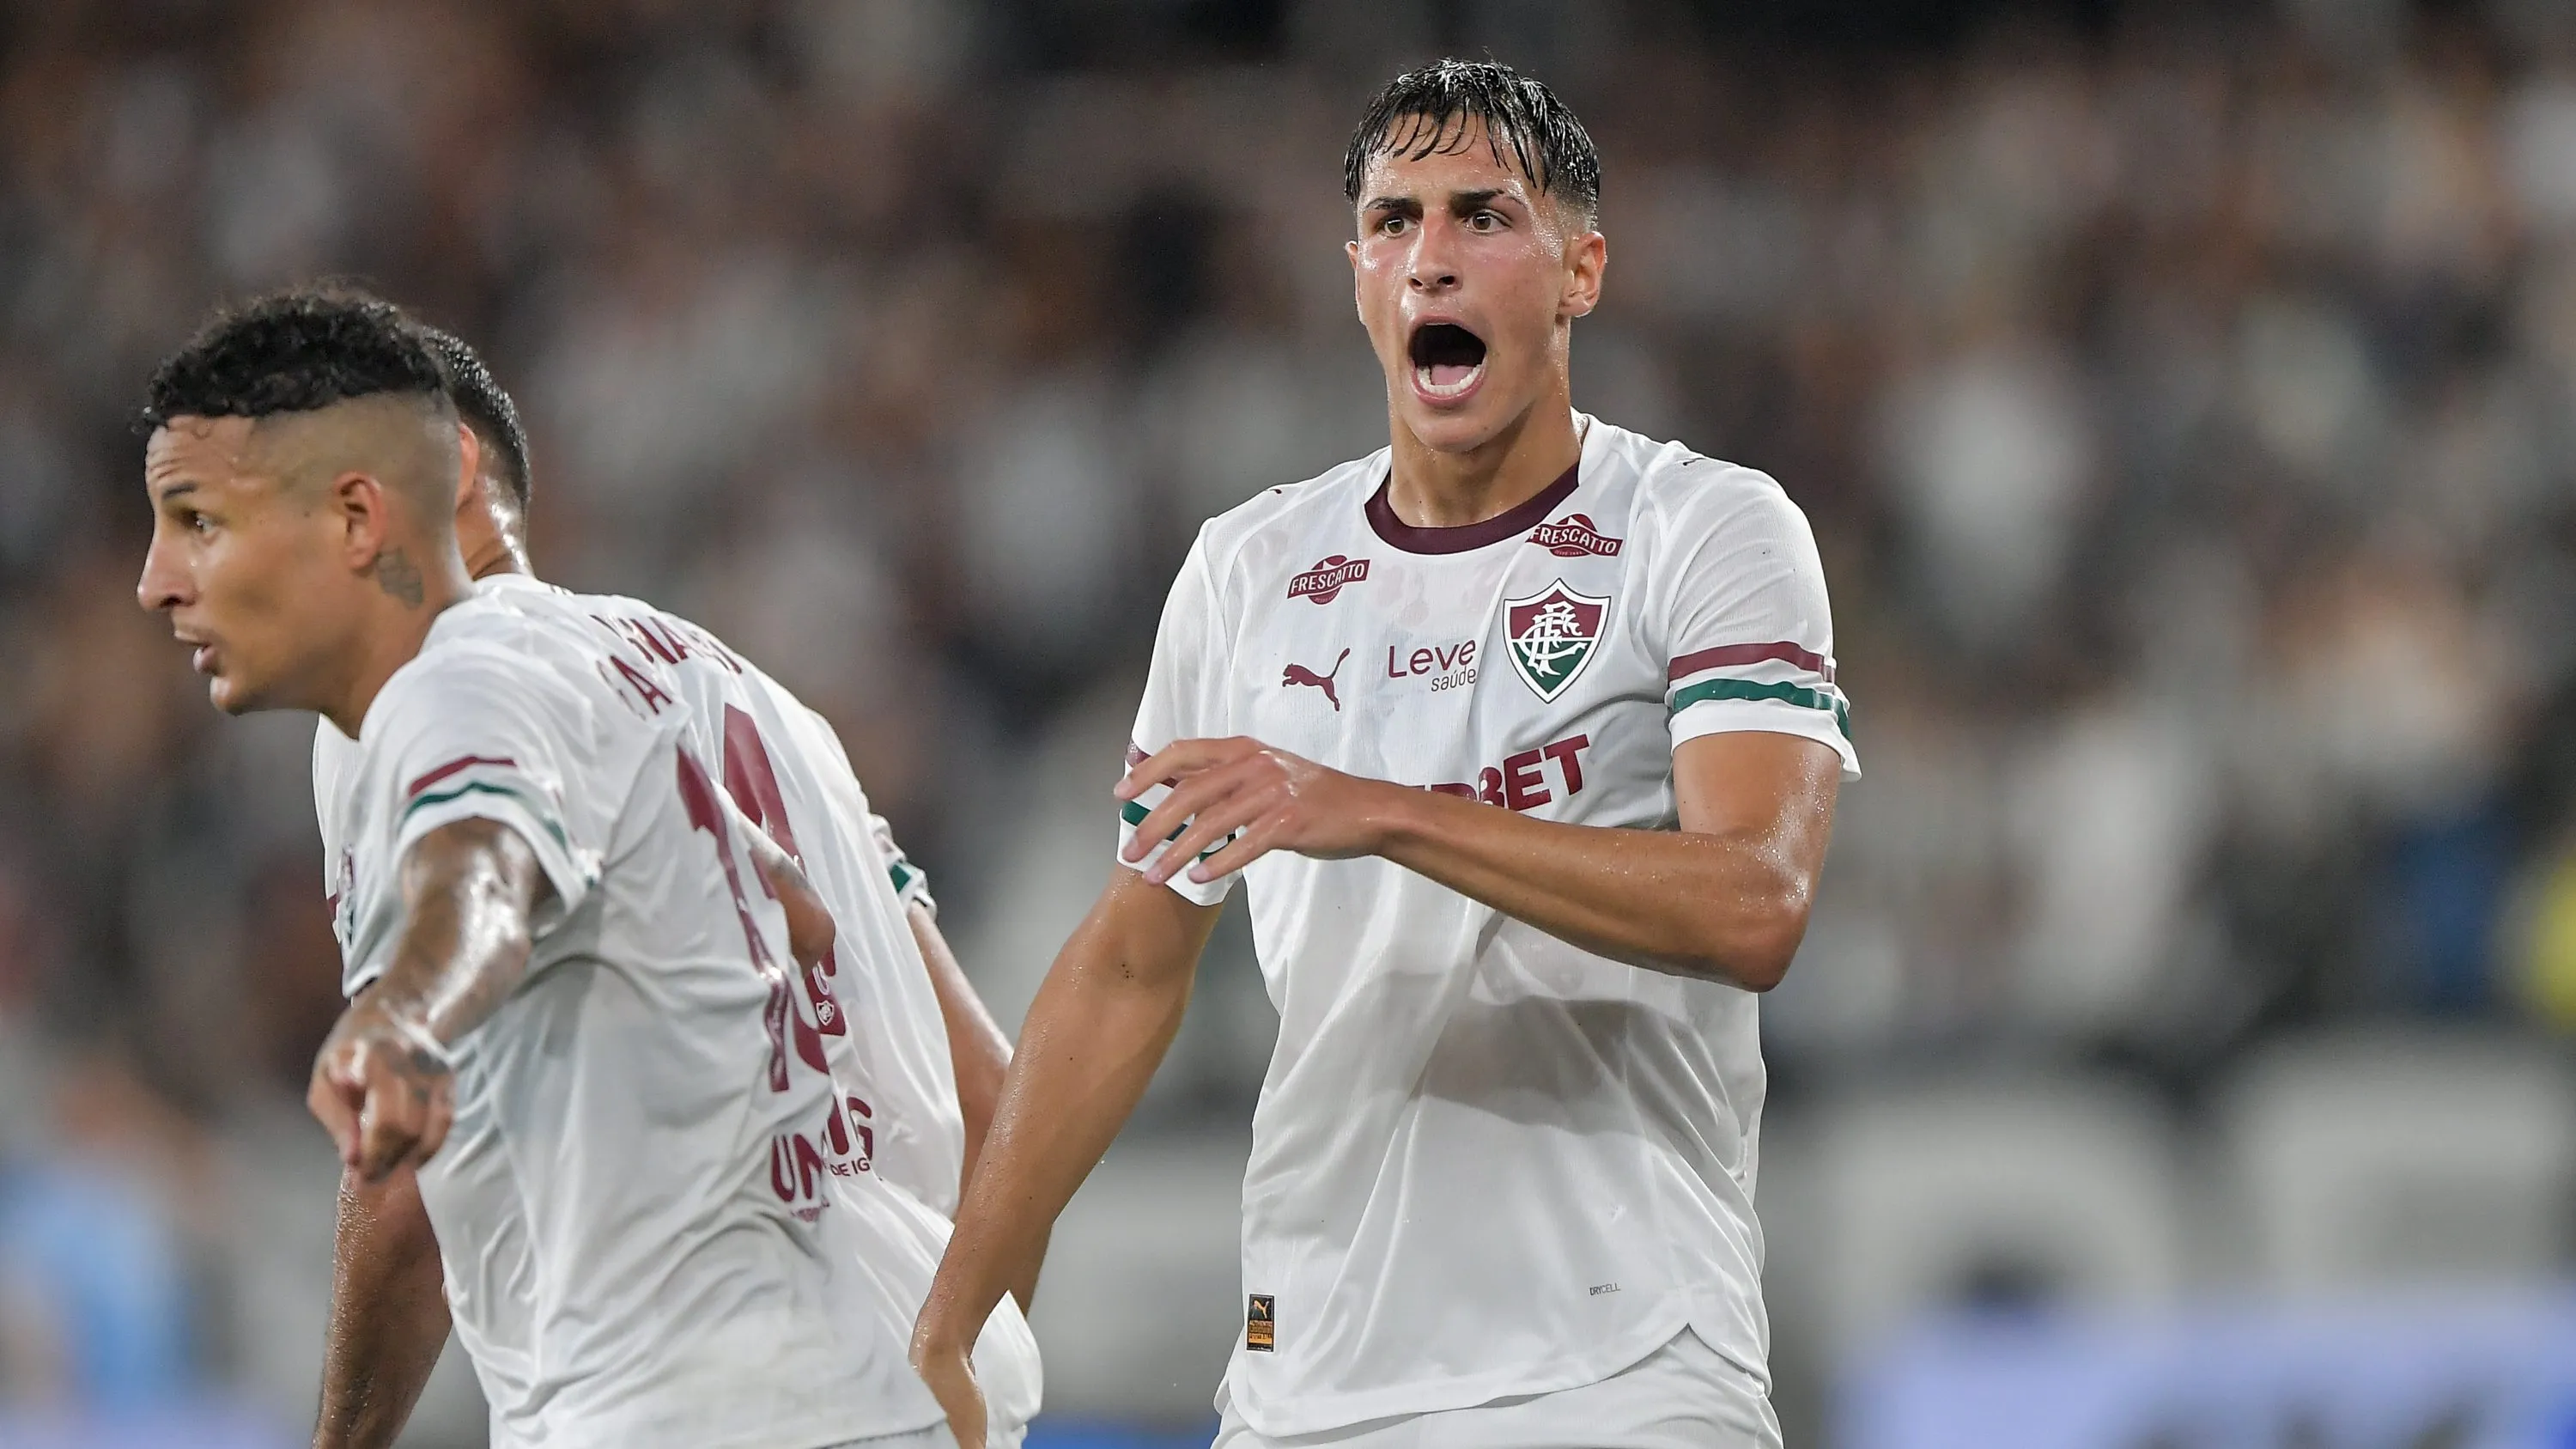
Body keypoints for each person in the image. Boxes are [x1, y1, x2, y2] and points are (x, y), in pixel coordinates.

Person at [913, 59, 1856, 1449]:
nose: (1432, 257)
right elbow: (1127, 964)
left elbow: (1755, 903)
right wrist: (954, 1312)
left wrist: (1381, 810)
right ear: (1356, 272)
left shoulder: (1707, 530)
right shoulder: (1248, 570)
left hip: (1626, 1367)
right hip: (1315, 1385)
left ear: (1582, 268)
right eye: (1395, 220)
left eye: (1484, 215)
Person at [136, 289, 1035, 1449]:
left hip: (677, 1404)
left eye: (202, 517)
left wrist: (407, 1017)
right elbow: (990, 1089)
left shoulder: (435, 681)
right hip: (905, 1389)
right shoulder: (759, 702)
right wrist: (950, 1360)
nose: (159, 578)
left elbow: (481, 878)